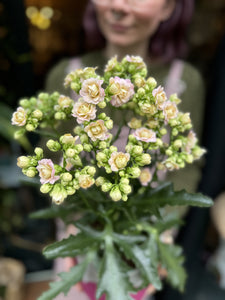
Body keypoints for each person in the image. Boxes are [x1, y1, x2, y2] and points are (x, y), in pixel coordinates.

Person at [44, 1, 205, 299]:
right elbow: (52, 167)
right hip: (80, 241)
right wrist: (73, 226)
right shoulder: (65, 77)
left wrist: (161, 233)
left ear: (168, 8)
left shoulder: (185, 82)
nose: (119, 6)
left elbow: (186, 166)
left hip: (143, 245)